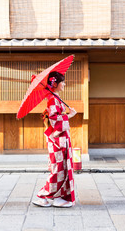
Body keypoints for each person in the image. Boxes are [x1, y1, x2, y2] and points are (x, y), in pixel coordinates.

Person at [32, 71, 77, 208]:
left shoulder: (55, 98)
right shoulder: (52, 99)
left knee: (62, 168)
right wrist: (70, 115)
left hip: (61, 138)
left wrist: (67, 114)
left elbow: (56, 117)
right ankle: (43, 195)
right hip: (57, 140)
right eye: (62, 82)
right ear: (55, 84)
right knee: (57, 169)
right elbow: (54, 120)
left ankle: (58, 197)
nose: (64, 84)